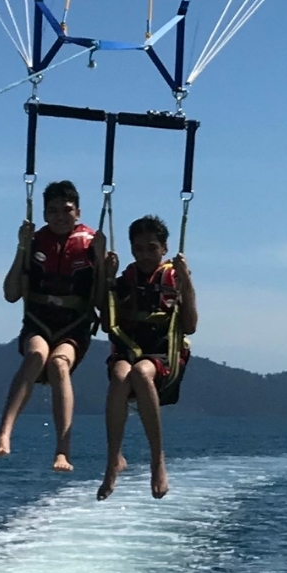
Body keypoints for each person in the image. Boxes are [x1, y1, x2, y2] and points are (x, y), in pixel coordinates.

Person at [0, 179, 103, 470]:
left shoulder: (91, 244)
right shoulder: (35, 242)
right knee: (37, 355)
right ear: (44, 214)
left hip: (73, 326)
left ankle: (62, 450)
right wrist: (21, 248)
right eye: (52, 211)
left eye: (66, 210)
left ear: (78, 213)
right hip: (39, 321)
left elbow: (103, 302)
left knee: (58, 364)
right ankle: (4, 433)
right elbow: (11, 294)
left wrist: (103, 263)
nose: (60, 217)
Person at [96, 214, 196, 501]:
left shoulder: (174, 279)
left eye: (151, 248)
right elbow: (106, 324)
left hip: (164, 355)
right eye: (138, 249)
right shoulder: (125, 280)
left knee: (140, 372)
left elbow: (190, 325)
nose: (144, 255)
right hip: (128, 350)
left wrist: (186, 280)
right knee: (120, 376)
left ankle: (157, 461)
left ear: (164, 248)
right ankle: (113, 459)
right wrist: (106, 277)